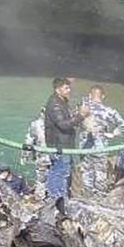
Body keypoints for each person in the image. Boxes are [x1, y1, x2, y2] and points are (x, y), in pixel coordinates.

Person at [43, 77, 90, 211]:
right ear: (58, 89)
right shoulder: (55, 105)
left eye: (69, 87)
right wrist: (81, 116)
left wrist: (78, 114)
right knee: (59, 172)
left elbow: (66, 120)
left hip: (64, 144)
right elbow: (63, 125)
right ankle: (57, 200)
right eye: (66, 88)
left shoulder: (62, 101)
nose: (69, 90)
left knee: (63, 171)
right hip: (59, 145)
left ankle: (61, 199)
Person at [78, 85, 124, 197]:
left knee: (86, 173)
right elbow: (123, 126)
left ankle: (87, 197)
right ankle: (99, 197)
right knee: (100, 174)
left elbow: (73, 123)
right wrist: (113, 134)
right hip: (101, 148)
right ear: (103, 96)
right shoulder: (109, 111)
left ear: (90, 95)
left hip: (85, 147)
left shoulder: (83, 109)